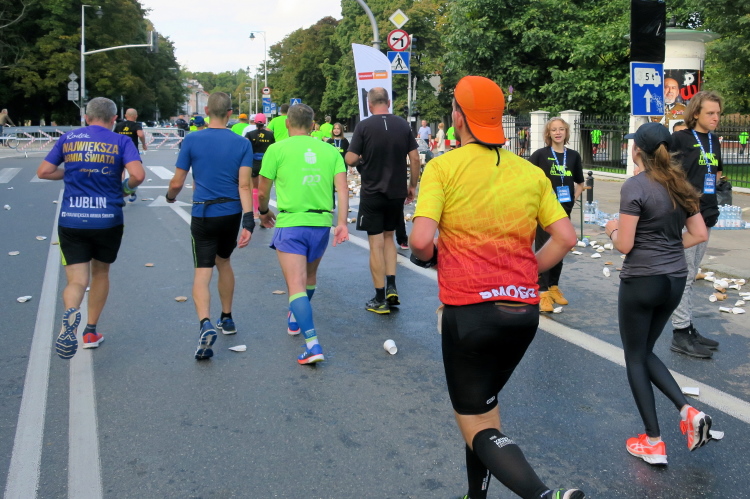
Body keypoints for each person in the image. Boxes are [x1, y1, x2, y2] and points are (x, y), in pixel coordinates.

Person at [409, 76, 582, 499]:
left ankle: (544, 495)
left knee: (477, 422)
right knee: (484, 409)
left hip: (469, 313)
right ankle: (476, 495)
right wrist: (526, 271)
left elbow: (420, 241)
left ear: (458, 117)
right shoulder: (530, 172)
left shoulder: (443, 167)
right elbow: (566, 238)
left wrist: (434, 258)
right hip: (522, 312)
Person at [604, 122, 720, 465]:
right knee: (644, 351)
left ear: (637, 150)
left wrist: (611, 230)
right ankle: (688, 411)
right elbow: (699, 233)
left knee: (634, 355)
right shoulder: (680, 183)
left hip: (643, 280)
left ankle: (653, 441)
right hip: (674, 279)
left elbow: (625, 245)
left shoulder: (635, 186)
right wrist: (669, 247)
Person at [36, 97, 145, 359]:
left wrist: (70, 173)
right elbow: (138, 175)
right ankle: (90, 331)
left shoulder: (68, 139)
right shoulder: (121, 141)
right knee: (101, 273)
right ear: (114, 119)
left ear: (86, 117)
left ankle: (71, 315)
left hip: (72, 219)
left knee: (76, 280)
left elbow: (43, 172)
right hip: (107, 219)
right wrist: (124, 188)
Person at [257, 104, 349, 364]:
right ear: (312, 125)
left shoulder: (276, 150)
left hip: (291, 222)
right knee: (309, 277)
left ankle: (312, 344)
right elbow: (343, 189)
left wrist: (263, 212)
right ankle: (295, 317)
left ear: (287, 123)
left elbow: (262, 191)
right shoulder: (330, 150)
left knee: (295, 284)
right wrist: (341, 222)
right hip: (320, 223)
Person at [166, 92, 254, 360]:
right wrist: (248, 220)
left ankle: (205, 323)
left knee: (202, 271)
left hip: (203, 212)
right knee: (224, 261)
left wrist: (170, 197)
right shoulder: (242, 143)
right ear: (230, 113)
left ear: (206, 111)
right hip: (231, 213)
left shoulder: (192, 139)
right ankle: (227, 318)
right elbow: (244, 185)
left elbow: (178, 181)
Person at [345, 87, 420, 314]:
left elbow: (350, 158)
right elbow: (415, 158)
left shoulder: (364, 126)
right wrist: (412, 185)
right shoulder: (402, 125)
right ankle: (392, 287)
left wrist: (361, 159)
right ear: (388, 102)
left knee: (375, 244)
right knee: (389, 239)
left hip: (372, 193)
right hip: (396, 192)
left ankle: (379, 298)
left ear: (369, 105)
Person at [668, 91, 724, 358]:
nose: (715, 118)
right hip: (687, 217)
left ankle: (687, 327)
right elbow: (668, 173)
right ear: (696, 113)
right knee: (684, 275)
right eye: (710, 113)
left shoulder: (714, 140)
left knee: (691, 275)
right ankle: (680, 332)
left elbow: (716, 172)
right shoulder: (680, 139)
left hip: (708, 214)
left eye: (718, 113)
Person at [529, 118, 584, 312]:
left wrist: (572, 201)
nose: (558, 133)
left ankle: (553, 287)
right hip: (544, 211)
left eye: (561, 129)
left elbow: (580, 183)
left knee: (560, 249)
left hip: (563, 211)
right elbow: (528, 180)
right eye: (554, 130)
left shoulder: (573, 156)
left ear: (566, 132)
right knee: (544, 248)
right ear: (548, 133)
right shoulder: (540, 155)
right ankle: (542, 292)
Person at [245, 113, 275, 217]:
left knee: (254, 187)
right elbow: (273, 149)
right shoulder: (270, 135)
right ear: (265, 122)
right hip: (266, 162)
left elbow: (246, 148)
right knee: (265, 188)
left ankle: (255, 212)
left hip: (254, 162)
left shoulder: (249, 134)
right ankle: (263, 209)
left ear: (255, 122)